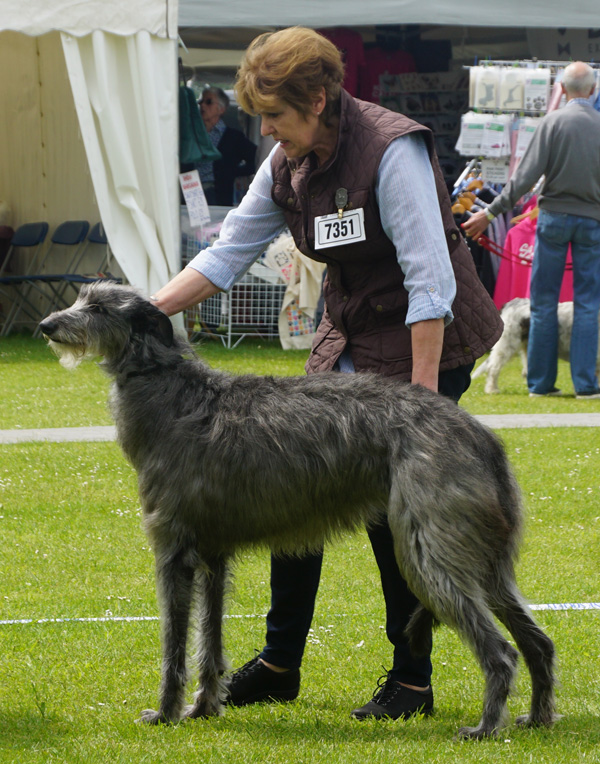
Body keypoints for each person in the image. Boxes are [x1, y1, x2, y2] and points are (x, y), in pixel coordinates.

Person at [150, 27, 502, 721]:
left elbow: (430, 283)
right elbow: (226, 256)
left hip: (424, 336)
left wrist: (424, 406)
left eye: (275, 115)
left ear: (318, 98)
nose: (267, 131)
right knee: (289, 481)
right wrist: (145, 311)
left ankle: (411, 681)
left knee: (395, 519)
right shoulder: (287, 159)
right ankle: (281, 662)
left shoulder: (390, 150)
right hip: (351, 331)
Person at [463, 61, 600, 399]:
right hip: (592, 220)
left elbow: (523, 178)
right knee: (588, 304)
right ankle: (586, 385)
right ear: (594, 90)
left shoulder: (551, 123)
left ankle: (540, 384)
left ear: (562, 90)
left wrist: (490, 213)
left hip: (552, 218)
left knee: (542, 303)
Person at [197, 86, 257, 206]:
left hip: (217, 194)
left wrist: (231, 172)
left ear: (221, 109)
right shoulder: (193, 134)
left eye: (208, 102)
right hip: (191, 192)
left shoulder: (234, 137)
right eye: (201, 101)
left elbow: (255, 160)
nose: (202, 105)